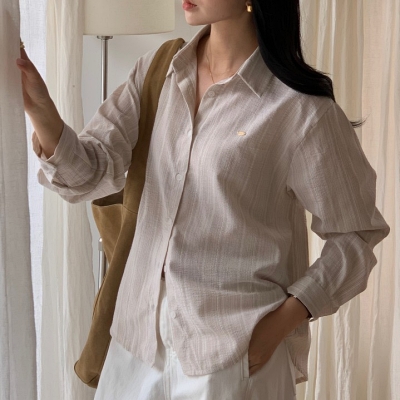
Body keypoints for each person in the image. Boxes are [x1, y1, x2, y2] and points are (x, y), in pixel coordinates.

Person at [17, 0, 389, 399]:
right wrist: (40, 107)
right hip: (135, 345)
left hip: (231, 352)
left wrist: (283, 321)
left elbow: (355, 233)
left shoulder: (299, 109)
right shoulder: (157, 73)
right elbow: (88, 174)